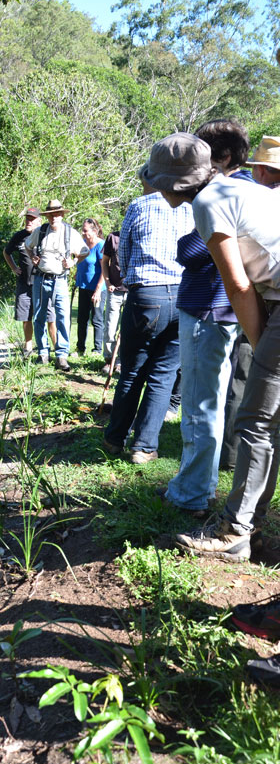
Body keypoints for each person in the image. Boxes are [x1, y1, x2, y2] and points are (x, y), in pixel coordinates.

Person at [141, 130, 280, 686]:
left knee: (255, 418)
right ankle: (251, 521)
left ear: (172, 185)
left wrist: (263, 342)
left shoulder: (206, 204)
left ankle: (234, 530)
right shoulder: (242, 189)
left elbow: (238, 283)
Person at [160, 120, 251, 516]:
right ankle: (198, 484)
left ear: (224, 157)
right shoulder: (248, 189)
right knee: (213, 401)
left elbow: (194, 251)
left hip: (208, 309)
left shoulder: (217, 196)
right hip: (226, 309)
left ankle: (192, 494)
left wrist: (186, 243)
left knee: (200, 404)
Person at [103, 176, 193, 463]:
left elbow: (123, 253)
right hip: (182, 294)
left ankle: (115, 439)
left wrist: (134, 282)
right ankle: (143, 448)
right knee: (163, 374)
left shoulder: (139, 205)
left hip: (146, 293)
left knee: (132, 370)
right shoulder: (191, 206)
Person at [25, 198, 89, 372]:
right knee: (39, 316)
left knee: (62, 316)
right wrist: (33, 257)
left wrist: (74, 261)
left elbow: (84, 251)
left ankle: (61, 355)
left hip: (60, 280)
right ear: (47, 216)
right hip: (40, 278)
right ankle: (43, 353)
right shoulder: (40, 231)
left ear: (61, 215)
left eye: (57, 214)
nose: (54, 218)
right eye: (51, 215)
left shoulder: (70, 233)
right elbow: (27, 245)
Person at [3, 207, 56, 358]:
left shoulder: (45, 234)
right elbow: (6, 252)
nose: (29, 221)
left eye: (32, 219)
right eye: (27, 218)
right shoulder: (19, 236)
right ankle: (28, 347)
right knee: (25, 316)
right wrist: (14, 268)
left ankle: (56, 347)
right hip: (24, 283)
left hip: (43, 282)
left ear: (39, 221)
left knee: (49, 316)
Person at [74, 218, 105, 356]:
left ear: (94, 231)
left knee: (97, 319)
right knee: (82, 318)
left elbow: (105, 270)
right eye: (82, 230)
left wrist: (98, 290)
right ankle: (80, 348)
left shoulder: (100, 245)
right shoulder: (83, 244)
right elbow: (81, 262)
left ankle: (97, 349)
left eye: (85, 230)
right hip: (83, 286)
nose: (83, 233)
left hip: (97, 289)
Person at [100, 229, 126, 373]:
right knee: (110, 328)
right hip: (114, 290)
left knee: (126, 330)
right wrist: (107, 282)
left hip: (132, 290)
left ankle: (121, 361)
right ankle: (109, 360)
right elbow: (104, 262)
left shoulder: (138, 235)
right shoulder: (113, 237)